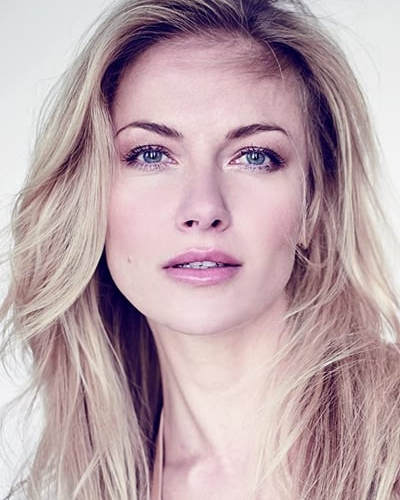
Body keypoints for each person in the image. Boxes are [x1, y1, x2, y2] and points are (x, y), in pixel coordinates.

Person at [1, 0, 400, 498]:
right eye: (151, 154)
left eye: (254, 156)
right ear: (88, 197)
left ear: (314, 203)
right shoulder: (94, 483)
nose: (203, 208)